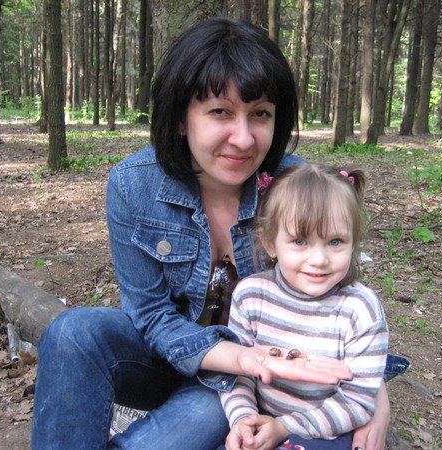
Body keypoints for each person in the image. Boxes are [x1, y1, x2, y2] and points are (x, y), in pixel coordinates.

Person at [31, 16, 397, 450]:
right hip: (169, 355)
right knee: (73, 331)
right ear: (181, 118)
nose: (243, 139)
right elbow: (149, 314)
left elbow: (341, 290)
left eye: (260, 114)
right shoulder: (133, 185)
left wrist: (374, 393)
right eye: (220, 112)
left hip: (245, 385)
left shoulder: (297, 187)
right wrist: (239, 355)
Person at [218, 164, 389, 450]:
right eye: (300, 241)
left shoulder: (360, 309)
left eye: (335, 241)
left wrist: (284, 428)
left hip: (328, 429)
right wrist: (244, 420)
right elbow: (238, 371)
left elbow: (358, 401)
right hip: (263, 418)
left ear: (353, 242)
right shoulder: (251, 296)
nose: (319, 259)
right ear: (270, 242)